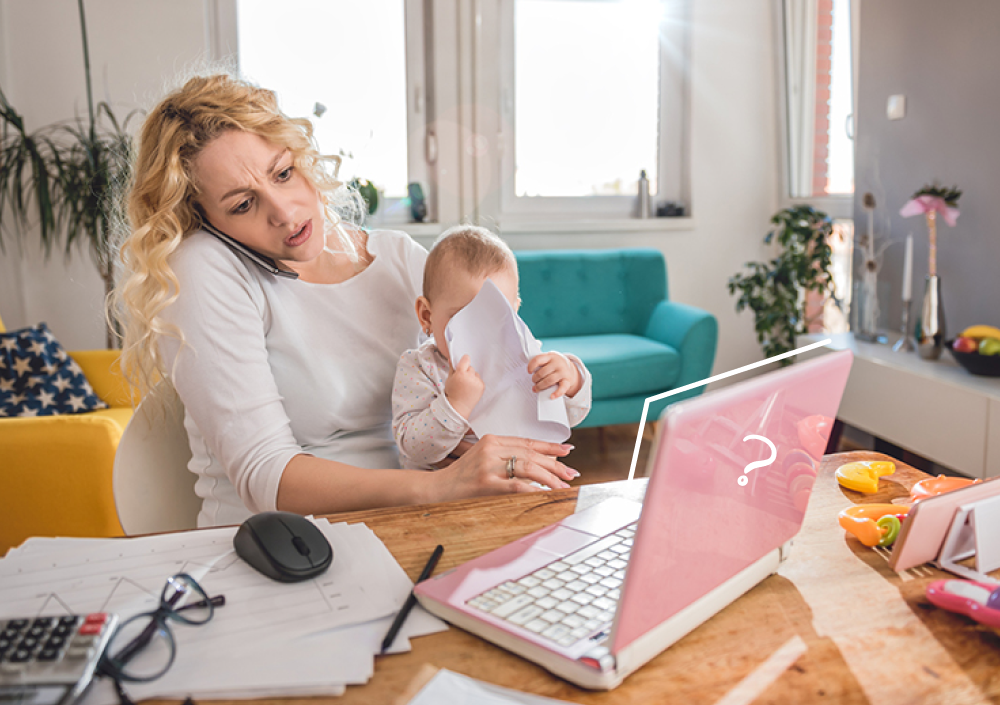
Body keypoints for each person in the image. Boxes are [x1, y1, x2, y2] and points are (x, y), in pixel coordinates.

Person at [114, 74, 578, 527]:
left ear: (302, 158)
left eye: (283, 173)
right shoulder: (206, 266)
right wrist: (444, 485)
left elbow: (517, 375)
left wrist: (552, 388)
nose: (284, 211)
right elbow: (265, 474)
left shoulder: (398, 258)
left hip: (422, 523)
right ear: (206, 220)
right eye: (242, 205)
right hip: (285, 546)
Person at [392, 226, 592, 470]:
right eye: (462, 318)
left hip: (523, 481)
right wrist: (455, 404)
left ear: (515, 313)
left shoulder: (526, 358)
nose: (480, 333)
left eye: (497, 317)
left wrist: (571, 380)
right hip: (446, 493)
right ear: (427, 316)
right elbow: (413, 448)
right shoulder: (420, 367)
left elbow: (572, 416)